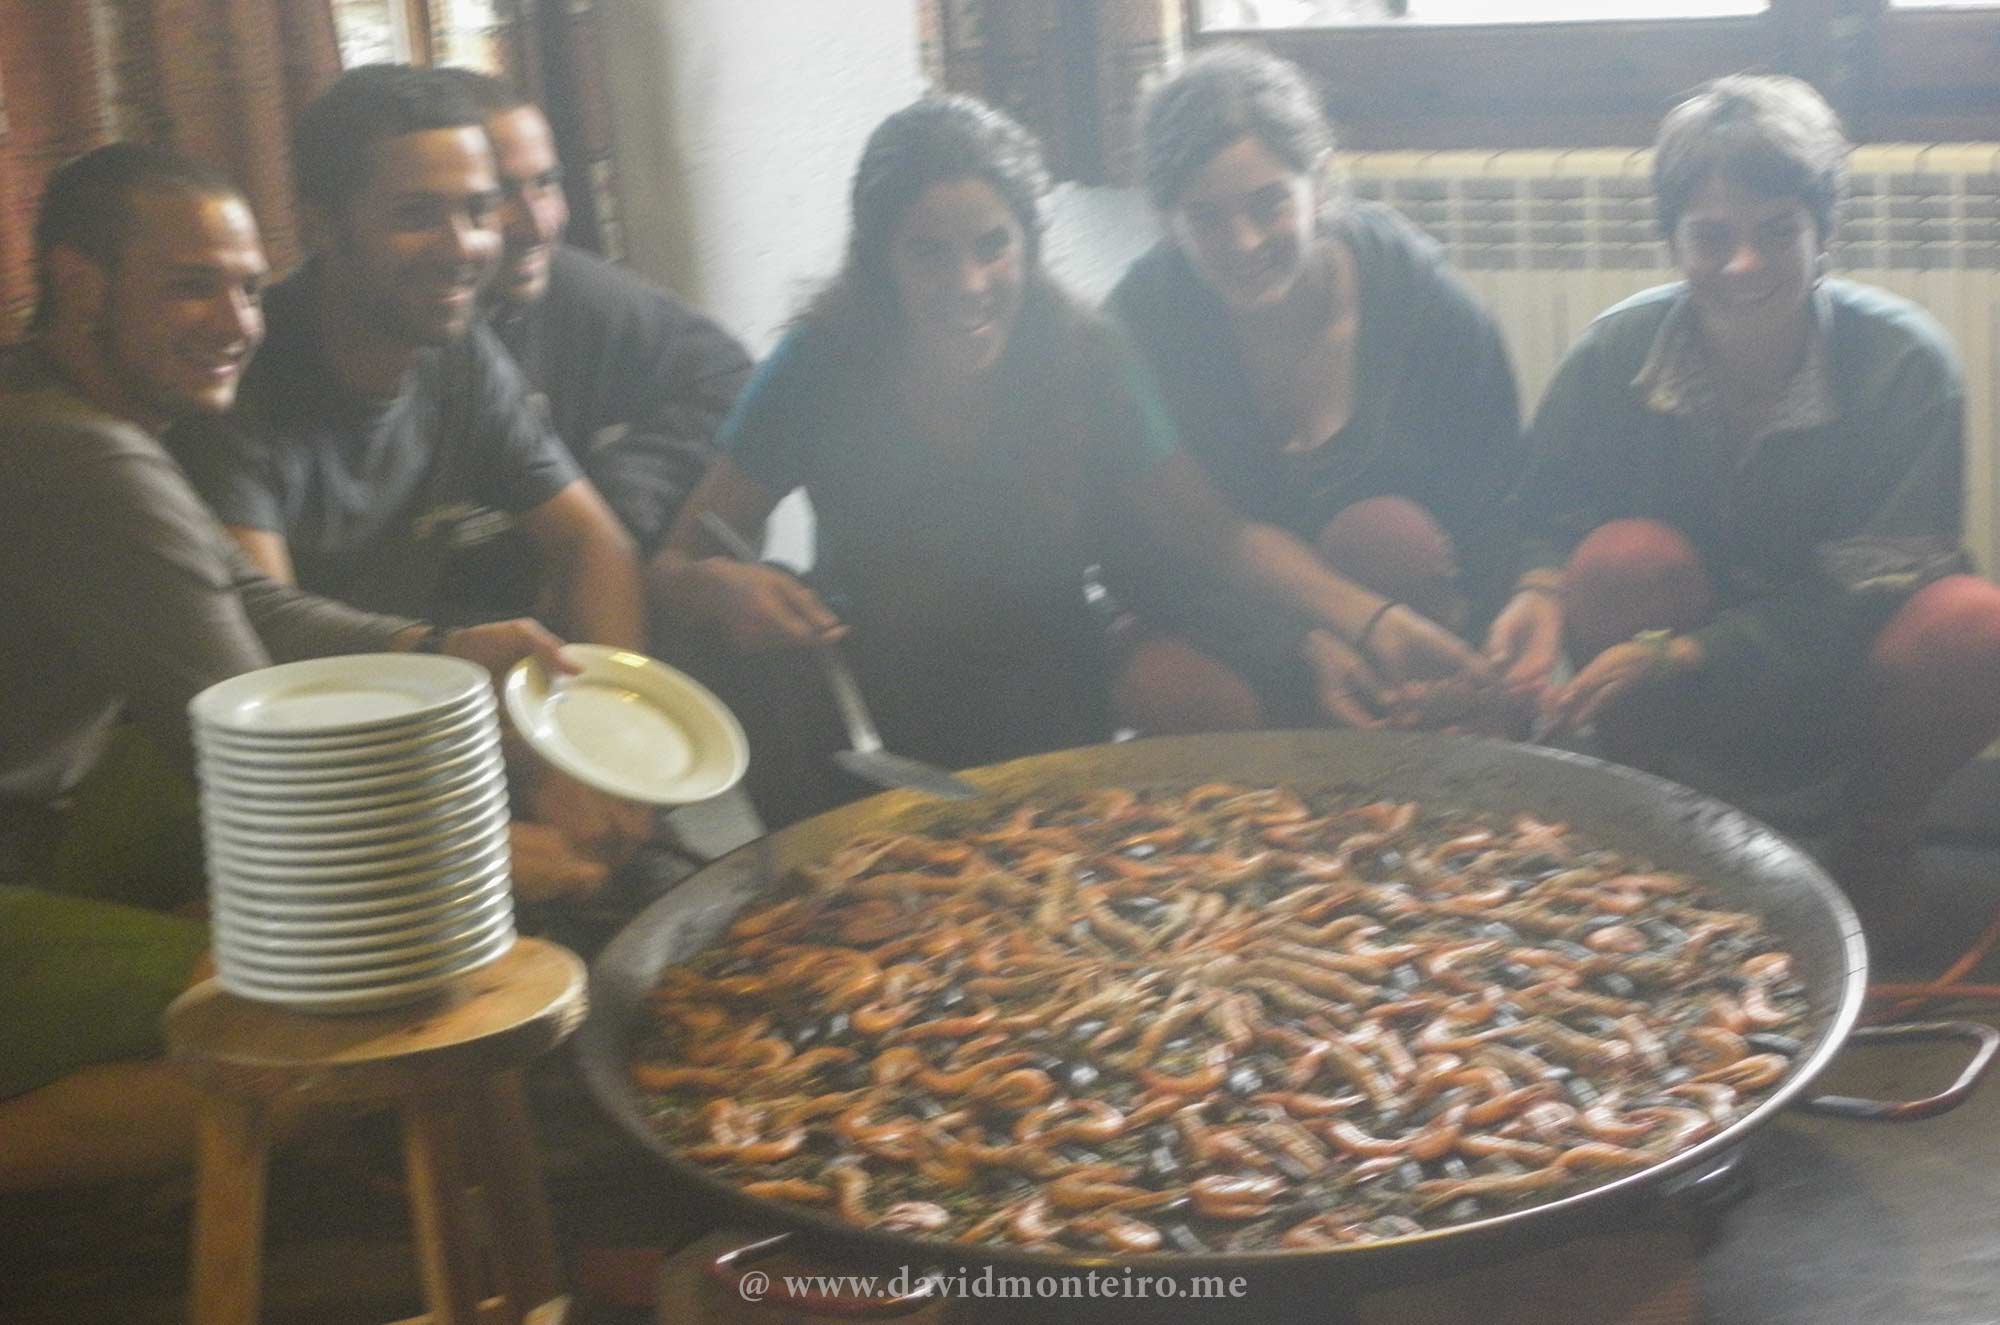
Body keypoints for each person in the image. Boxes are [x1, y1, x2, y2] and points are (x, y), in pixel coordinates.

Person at [651, 96, 1489, 826]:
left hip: (1043, 686)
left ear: (1029, 243)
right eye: (927, 253)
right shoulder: (818, 364)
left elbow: (1214, 533)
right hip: (868, 695)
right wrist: (722, 583)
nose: (968, 282)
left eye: (992, 245)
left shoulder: (1086, 354)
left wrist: (1370, 620)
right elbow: (677, 561)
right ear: (879, 259)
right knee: (756, 677)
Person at [0, 144, 573, 1191]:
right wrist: (462, 852)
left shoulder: (56, 402)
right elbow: (244, 736)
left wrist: (439, 650)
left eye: (249, 288)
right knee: (315, 1049)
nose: (234, 323)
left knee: (284, 906)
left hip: (46, 816)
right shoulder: (79, 453)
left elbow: (251, 603)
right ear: (81, 283)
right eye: (190, 285)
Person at [1500, 75, 2000, 941]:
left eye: (1777, 233)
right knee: (1620, 558)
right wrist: (1537, 593)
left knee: (1973, 625)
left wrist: (1691, 649)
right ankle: (1651, 833)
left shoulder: (1907, 366)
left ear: (1824, 234)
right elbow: (1544, 514)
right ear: (1671, 240)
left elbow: (1875, 588)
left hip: (1834, 672)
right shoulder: (1613, 350)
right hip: (1661, 679)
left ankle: (1875, 847)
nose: (1743, 265)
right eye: (1711, 236)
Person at [169, 65, 651, 867]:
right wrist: (479, 836)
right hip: (277, 798)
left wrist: (599, 755)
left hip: (422, 727)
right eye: (416, 216)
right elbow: (268, 659)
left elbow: (595, 545)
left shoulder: (458, 353)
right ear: (324, 225)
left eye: (476, 208)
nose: (465, 246)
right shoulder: (241, 387)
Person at [1107, 46, 1524, 733]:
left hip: (1408, 613)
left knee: (1386, 535)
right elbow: (1139, 554)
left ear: (1320, 185)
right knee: (1164, 681)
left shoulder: (1428, 309)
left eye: (1268, 204)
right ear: (1164, 218)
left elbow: (1496, 509)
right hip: (1240, 625)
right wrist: (1294, 641)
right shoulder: (1136, 330)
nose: (1242, 243)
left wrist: (1477, 666)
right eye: (1206, 217)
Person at [438, 69, 752, 626]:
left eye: (546, 183)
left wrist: (617, 502)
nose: (537, 224)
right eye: (503, 193)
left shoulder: (578, 293)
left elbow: (726, 378)